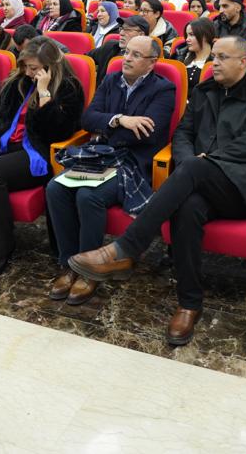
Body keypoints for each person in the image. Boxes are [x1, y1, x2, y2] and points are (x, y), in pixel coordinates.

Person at [69, 36, 246, 346]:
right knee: (188, 207)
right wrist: (186, 163)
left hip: (239, 186)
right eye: (214, 57)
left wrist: (204, 163)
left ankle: (126, 248)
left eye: (223, 57)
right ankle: (189, 303)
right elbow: (183, 133)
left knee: (194, 171)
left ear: (243, 62)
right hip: (196, 179)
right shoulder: (205, 90)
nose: (215, 63)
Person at [46, 35, 176, 305]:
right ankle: (68, 263)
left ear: (152, 62)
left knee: (88, 196)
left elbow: (148, 135)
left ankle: (89, 270)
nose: (127, 58)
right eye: (126, 52)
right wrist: (120, 120)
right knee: (55, 188)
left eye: (136, 55)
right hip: (100, 156)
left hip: (132, 162)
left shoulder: (163, 89)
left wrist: (105, 129)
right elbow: (87, 119)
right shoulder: (111, 79)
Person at [0, 36, 84, 281]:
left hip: (37, 151)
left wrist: (44, 94)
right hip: (4, 143)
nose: (28, 73)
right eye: (25, 67)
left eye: (34, 68)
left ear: (50, 66)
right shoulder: (17, 81)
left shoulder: (69, 87)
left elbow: (60, 132)